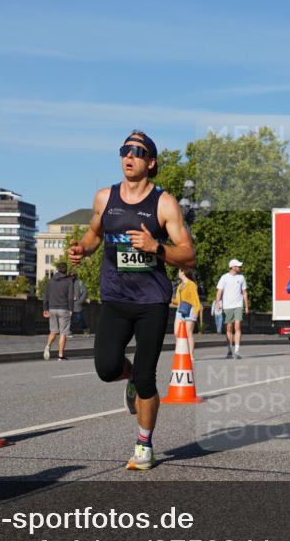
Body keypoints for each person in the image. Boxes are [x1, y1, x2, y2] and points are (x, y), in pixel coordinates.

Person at [67, 130, 196, 471]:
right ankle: (131, 382)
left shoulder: (164, 203)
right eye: (125, 149)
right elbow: (94, 234)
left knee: (147, 377)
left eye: (138, 151)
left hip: (151, 301)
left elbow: (189, 255)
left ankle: (144, 444)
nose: (129, 155)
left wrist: (157, 248)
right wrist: (82, 250)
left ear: (150, 162)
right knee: (107, 368)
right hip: (115, 297)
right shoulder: (105, 198)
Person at [215, 259, 249, 359]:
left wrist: (246, 306)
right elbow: (219, 291)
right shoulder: (224, 277)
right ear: (233, 267)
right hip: (227, 306)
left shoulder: (241, 277)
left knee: (237, 327)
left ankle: (237, 351)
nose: (240, 268)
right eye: (238, 266)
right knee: (229, 328)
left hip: (238, 305)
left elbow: (244, 293)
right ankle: (229, 349)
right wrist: (217, 303)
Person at [43, 262, 74, 361]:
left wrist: (45, 308)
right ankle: (60, 355)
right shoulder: (69, 281)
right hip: (64, 309)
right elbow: (70, 297)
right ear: (66, 270)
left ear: (57, 269)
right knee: (63, 333)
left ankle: (48, 345)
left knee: (53, 331)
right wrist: (71, 309)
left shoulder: (51, 281)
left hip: (52, 308)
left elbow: (46, 296)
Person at [171, 268, 202, 355]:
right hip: (180, 310)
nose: (178, 273)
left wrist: (196, 312)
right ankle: (181, 352)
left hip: (190, 310)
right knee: (176, 332)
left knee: (188, 333)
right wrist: (172, 300)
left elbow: (195, 299)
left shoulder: (192, 285)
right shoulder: (180, 286)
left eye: (179, 271)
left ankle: (191, 355)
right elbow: (178, 300)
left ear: (183, 272)